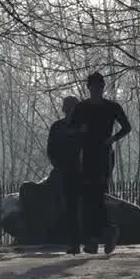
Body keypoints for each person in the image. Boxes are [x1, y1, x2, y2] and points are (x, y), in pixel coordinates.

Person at [67, 72, 132, 254]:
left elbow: (127, 127)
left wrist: (113, 139)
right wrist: (80, 129)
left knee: (99, 194)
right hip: (86, 154)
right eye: (94, 87)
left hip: (103, 154)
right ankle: (95, 238)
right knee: (88, 197)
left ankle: (104, 233)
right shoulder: (82, 107)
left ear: (103, 88)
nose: (97, 90)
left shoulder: (112, 107)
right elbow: (70, 127)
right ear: (89, 88)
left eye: (99, 86)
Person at [47, 96, 83, 253]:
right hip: (70, 171)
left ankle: (79, 242)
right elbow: (51, 150)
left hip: (80, 171)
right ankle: (76, 242)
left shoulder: (82, 127)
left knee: (76, 208)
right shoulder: (59, 127)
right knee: (72, 208)